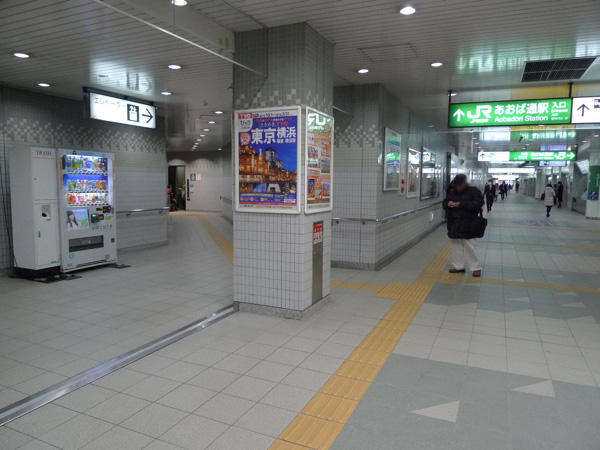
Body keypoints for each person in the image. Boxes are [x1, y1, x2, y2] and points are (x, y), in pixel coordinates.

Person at [443, 174, 485, 277]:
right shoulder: (452, 193)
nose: (458, 188)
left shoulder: (474, 191)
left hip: (469, 223)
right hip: (454, 224)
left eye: (460, 185)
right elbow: (444, 203)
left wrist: (460, 204)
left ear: (465, 183)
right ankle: (458, 266)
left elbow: (478, 203)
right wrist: (448, 204)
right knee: (456, 246)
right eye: (456, 185)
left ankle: (476, 268)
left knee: (470, 247)